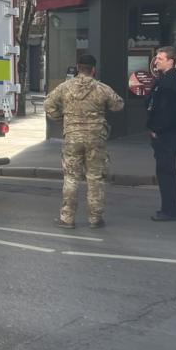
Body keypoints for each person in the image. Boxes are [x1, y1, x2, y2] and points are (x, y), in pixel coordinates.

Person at [44, 54, 124, 229]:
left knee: (71, 178)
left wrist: (62, 120)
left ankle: (67, 218)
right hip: (96, 139)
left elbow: (48, 104)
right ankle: (95, 219)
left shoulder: (64, 87)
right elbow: (118, 105)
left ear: (78, 67)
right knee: (95, 178)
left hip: (72, 137)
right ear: (93, 69)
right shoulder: (102, 88)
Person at [147, 46, 176, 222]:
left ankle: (170, 210)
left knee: (166, 171)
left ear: (171, 61)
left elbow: (166, 110)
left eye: (160, 58)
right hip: (168, 132)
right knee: (165, 170)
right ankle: (168, 208)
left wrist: (157, 129)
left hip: (166, 134)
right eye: (156, 58)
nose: (156, 61)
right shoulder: (166, 79)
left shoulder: (170, 81)